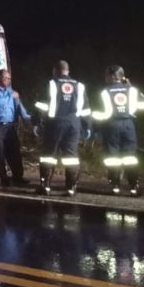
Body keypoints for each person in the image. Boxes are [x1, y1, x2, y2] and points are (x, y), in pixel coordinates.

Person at [34, 60, 91, 196]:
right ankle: (71, 188)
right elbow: (86, 109)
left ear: (55, 71)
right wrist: (87, 126)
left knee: (49, 155)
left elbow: (42, 106)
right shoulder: (80, 86)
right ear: (68, 71)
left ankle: (45, 186)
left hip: (55, 124)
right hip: (73, 124)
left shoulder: (51, 84)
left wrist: (37, 122)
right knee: (71, 156)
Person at [92, 65, 144, 196]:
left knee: (113, 157)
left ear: (111, 76)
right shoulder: (132, 90)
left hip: (111, 125)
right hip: (128, 125)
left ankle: (115, 186)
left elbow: (101, 113)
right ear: (122, 77)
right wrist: (130, 86)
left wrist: (96, 119)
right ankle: (134, 187)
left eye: (106, 75)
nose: (105, 77)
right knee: (130, 157)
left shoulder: (104, 92)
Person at [0, 69, 32, 186]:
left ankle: (18, 177)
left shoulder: (10, 91)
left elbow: (19, 105)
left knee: (14, 151)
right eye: (6, 78)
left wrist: (26, 119)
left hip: (10, 126)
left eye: (9, 78)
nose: (9, 80)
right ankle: (4, 177)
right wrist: (11, 95)